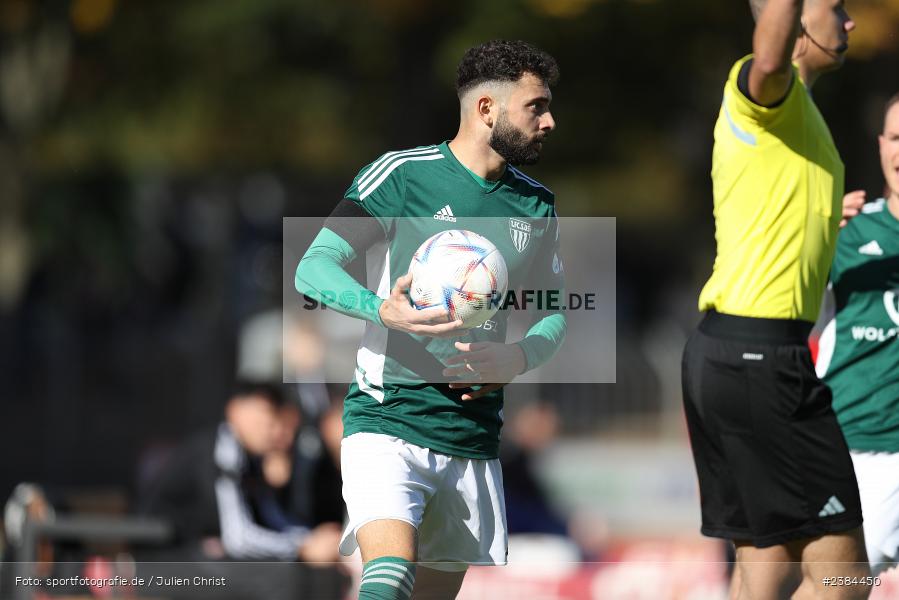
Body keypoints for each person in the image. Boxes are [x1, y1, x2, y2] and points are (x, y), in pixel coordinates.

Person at [295, 39, 566, 599]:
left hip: (470, 436)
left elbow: (554, 316)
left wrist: (516, 357)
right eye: (535, 106)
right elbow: (313, 268)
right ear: (486, 109)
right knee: (388, 577)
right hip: (387, 419)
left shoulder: (536, 206)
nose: (549, 121)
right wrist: (382, 310)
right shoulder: (403, 175)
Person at [680, 1, 871, 598]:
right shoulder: (768, 87)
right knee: (847, 579)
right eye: (834, 9)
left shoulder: (800, 112)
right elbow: (768, 57)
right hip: (762, 362)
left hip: (727, 355)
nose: (850, 22)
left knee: (768, 571)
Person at [816, 92, 899, 576]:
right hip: (859, 451)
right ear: (881, 144)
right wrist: (813, 233)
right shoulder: (844, 231)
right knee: (838, 584)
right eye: (895, 138)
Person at [140, 381, 340, 563]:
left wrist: (312, 538)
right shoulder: (222, 449)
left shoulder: (248, 456)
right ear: (235, 409)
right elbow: (238, 539)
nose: (270, 426)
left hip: (202, 554)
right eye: (264, 413)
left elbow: (267, 518)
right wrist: (302, 547)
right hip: (162, 557)